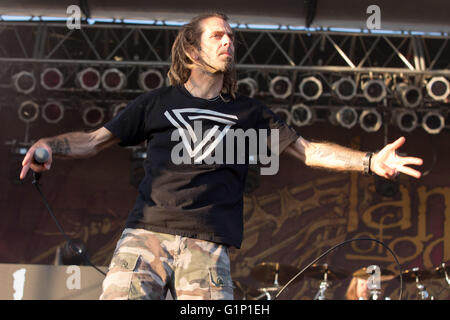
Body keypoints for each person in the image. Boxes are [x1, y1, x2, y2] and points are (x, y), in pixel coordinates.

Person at [19, 12, 423, 300]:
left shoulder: (249, 112)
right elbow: (92, 140)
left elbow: (310, 151)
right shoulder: (157, 102)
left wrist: (372, 161)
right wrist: (48, 145)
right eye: (218, 36)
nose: (229, 41)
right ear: (192, 50)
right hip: (146, 234)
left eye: (231, 36)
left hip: (208, 244)